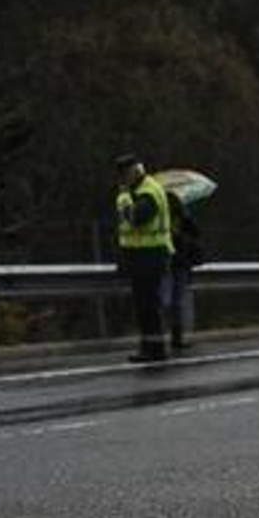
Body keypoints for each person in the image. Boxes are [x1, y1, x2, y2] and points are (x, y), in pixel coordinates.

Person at [113, 154, 173, 362]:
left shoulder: (148, 191)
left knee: (148, 305)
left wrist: (124, 200)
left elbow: (138, 218)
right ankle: (150, 346)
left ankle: (155, 349)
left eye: (124, 174)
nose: (122, 179)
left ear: (134, 172)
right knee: (143, 306)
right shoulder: (137, 190)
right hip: (140, 256)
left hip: (151, 255)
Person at [163, 190, 202, 351]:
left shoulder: (183, 217)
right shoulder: (162, 218)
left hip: (180, 263)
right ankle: (164, 335)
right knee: (166, 301)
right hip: (167, 263)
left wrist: (186, 216)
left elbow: (196, 231)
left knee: (177, 302)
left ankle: (176, 337)